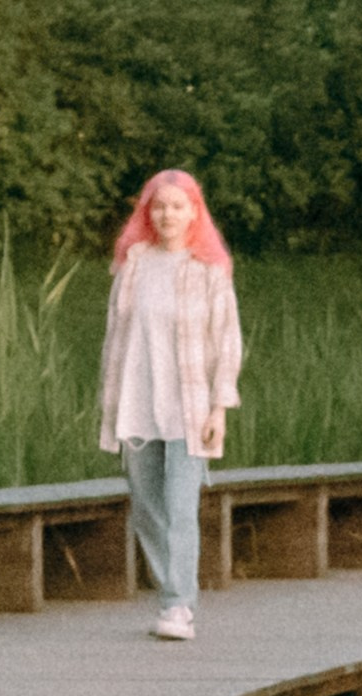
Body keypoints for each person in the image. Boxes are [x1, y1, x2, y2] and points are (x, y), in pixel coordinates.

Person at [98, 170, 243, 641]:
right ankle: (171, 587)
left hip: (190, 408)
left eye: (178, 206)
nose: (168, 215)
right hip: (138, 403)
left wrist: (219, 407)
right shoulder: (133, 265)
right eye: (159, 206)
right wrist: (108, 399)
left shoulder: (208, 270)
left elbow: (227, 342)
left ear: (195, 212)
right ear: (147, 211)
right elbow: (114, 338)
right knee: (145, 506)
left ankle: (178, 604)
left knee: (182, 507)